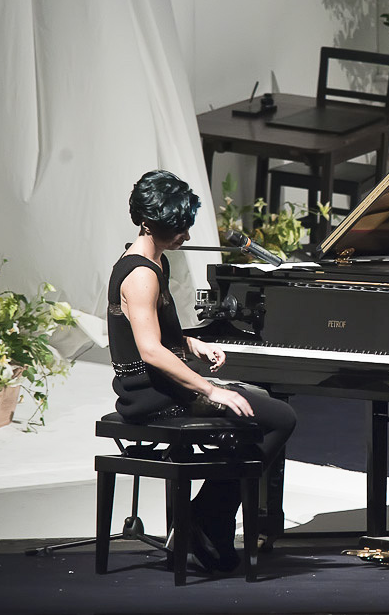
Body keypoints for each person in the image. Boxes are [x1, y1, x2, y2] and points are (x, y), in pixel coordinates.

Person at [108, 170, 296, 573]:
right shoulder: (141, 274)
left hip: (155, 387)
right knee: (279, 417)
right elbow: (150, 351)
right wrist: (212, 391)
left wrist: (192, 343)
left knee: (253, 417)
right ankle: (204, 517)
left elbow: (152, 333)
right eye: (180, 228)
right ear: (152, 223)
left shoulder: (151, 262)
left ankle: (206, 519)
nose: (187, 237)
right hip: (151, 396)